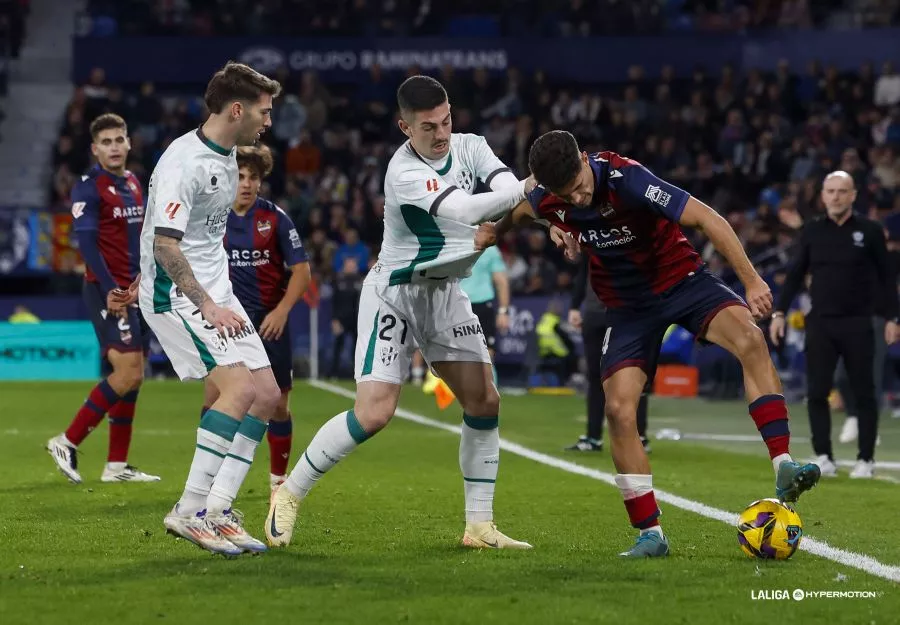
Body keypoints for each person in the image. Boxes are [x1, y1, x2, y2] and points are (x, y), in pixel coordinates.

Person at [486, 130, 821, 558]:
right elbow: (519, 212)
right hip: (627, 307)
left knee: (751, 339)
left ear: (585, 159)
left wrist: (753, 279)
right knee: (618, 409)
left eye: (582, 186)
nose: (580, 198)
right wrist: (534, 225)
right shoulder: (550, 198)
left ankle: (783, 465)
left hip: (681, 279)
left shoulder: (628, 179)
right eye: (568, 195)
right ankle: (650, 535)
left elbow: (707, 219)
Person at [266, 75, 534, 550]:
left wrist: (545, 214)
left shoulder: (472, 146)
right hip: (396, 293)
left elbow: (509, 188)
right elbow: (472, 209)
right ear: (404, 127)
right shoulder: (403, 172)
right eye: (429, 126)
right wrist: (533, 188)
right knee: (374, 413)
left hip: (445, 293)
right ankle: (288, 492)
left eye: (447, 120)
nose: (442, 133)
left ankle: (478, 526)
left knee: (485, 402)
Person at [129, 62, 283, 556]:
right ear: (236, 109)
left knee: (267, 395)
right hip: (178, 294)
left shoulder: (228, 152)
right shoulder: (184, 162)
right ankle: (189, 510)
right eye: (263, 111)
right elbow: (167, 247)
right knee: (238, 390)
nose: (268, 121)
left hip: (218, 292)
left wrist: (220, 299)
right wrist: (207, 304)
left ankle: (218, 509)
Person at [47, 113, 160, 484]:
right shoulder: (88, 186)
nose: (113, 147)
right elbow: (88, 244)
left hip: (134, 288)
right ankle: (66, 440)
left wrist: (143, 276)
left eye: (119, 140)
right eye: (106, 142)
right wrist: (113, 288)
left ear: (128, 143)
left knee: (135, 376)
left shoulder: (133, 182)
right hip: (106, 289)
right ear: (95, 149)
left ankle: (116, 466)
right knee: (126, 371)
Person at [770, 171, 900, 479]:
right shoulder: (813, 231)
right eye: (831, 191)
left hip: (859, 321)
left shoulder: (869, 231)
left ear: (853, 195)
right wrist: (779, 313)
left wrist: (893, 317)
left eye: (842, 191)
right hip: (821, 323)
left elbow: (887, 278)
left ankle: (865, 459)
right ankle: (824, 455)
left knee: (864, 392)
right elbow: (794, 274)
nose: (836, 196)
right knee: (817, 391)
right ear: (823, 195)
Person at [200, 144, 311, 501]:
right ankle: (208, 476)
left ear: (261, 182)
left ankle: (278, 480)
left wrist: (282, 311)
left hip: (269, 324)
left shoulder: (276, 219)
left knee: (277, 403)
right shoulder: (211, 219)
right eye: (240, 176)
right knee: (215, 396)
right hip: (225, 323)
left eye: (253, 177)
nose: (246, 184)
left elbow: (302, 272)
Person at [567, 256, 651, 453]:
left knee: (636, 376)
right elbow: (583, 273)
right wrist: (574, 306)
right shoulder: (592, 234)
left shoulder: (635, 235)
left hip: (628, 314)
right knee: (595, 377)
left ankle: (640, 436)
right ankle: (593, 437)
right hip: (596, 315)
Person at [328, 256, 363, 379]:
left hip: (356, 319)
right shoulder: (338, 280)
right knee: (338, 346)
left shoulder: (360, 280)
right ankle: (334, 373)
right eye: (349, 264)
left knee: (357, 347)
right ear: (344, 266)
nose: (351, 267)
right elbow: (334, 301)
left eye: (353, 265)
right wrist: (334, 319)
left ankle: (357, 373)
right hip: (341, 319)